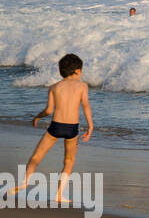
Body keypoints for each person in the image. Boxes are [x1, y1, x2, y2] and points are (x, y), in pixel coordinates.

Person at [14, 54, 93, 204]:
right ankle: (58, 194)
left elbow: (49, 110)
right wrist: (90, 126)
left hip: (55, 126)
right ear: (77, 71)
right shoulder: (82, 86)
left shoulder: (54, 87)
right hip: (71, 129)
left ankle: (25, 182)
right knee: (69, 161)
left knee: (36, 157)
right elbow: (86, 106)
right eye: (81, 70)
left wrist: (37, 117)